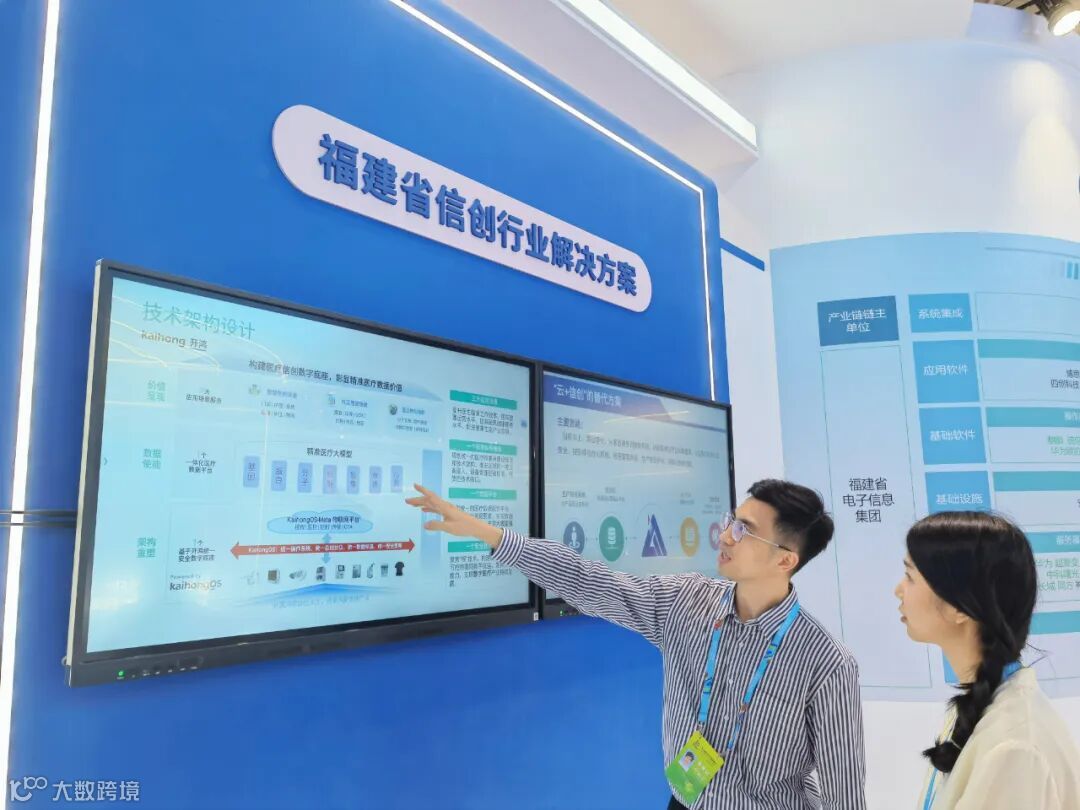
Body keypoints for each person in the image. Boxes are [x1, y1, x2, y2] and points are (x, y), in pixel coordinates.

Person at [408, 479, 867, 809]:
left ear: (785, 560)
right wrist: (490, 535)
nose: (726, 535)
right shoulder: (686, 602)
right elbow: (590, 582)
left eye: (745, 530)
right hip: (685, 800)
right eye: (732, 520)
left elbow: (843, 791)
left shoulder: (826, 664)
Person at [895, 511, 1080, 809]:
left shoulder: (1013, 748)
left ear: (960, 607)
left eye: (910, 577)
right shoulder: (983, 706)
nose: (898, 590)